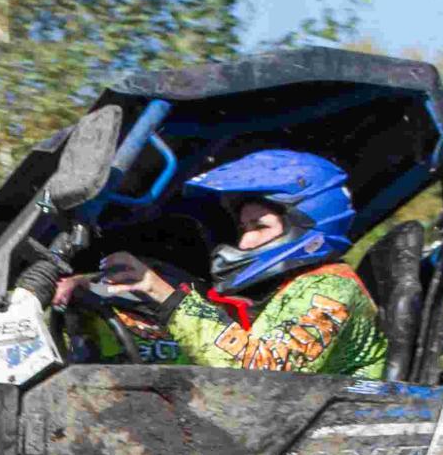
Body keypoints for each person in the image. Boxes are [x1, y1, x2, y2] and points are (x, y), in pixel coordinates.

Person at [56, 149, 387, 378]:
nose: (245, 243)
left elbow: (260, 373)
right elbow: (210, 348)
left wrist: (165, 296)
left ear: (307, 223)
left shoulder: (332, 291)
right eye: (243, 229)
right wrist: (100, 289)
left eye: (259, 227)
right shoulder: (283, 291)